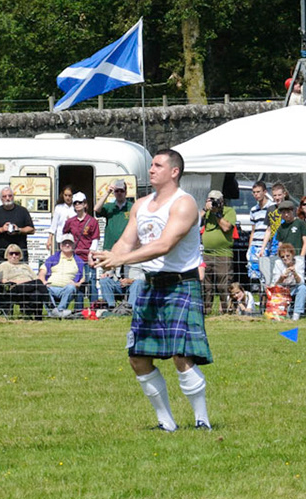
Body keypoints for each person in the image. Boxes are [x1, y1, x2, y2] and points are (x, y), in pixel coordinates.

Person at [94, 148, 211, 432]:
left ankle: (202, 421)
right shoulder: (141, 205)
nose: (151, 169)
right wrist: (108, 257)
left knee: (181, 356)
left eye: (158, 165)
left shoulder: (184, 204)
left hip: (181, 284)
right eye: (151, 165)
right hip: (150, 285)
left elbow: (164, 245)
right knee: (137, 358)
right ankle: (166, 422)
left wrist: (122, 259)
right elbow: (126, 241)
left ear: (174, 171)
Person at [0, 244, 49, 319]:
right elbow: (1, 280)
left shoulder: (25, 266)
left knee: (37, 293)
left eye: (16, 253)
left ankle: (38, 318)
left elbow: (35, 278)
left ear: (20, 255)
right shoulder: (2, 265)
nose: (14, 256)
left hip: (29, 288)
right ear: (7, 255)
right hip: (14, 288)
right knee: (38, 282)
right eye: (11, 253)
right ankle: (50, 305)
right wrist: (19, 281)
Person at [41, 235, 85, 316]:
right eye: (65, 243)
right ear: (61, 246)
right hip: (51, 287)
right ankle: (54, 312)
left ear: (73, 246)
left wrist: (76, 284)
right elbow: (42, 273)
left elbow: (82, 279)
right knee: (43, 288)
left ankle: (59, 311)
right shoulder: (53, 258)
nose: (67, 245)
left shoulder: (79, 261)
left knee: (71, 288)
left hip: (67, 289)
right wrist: (44, 281)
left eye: (69, 243)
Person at [0, 187, 34, 260]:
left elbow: (31, 229)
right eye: (4, 196)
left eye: (10, 196)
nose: (7, 198)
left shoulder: (22, 211)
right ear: (1, 198)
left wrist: (19, 230)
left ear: (13, 197)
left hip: (19, 253)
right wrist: (1, 229)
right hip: (1, 254)